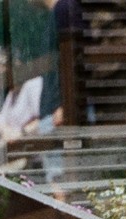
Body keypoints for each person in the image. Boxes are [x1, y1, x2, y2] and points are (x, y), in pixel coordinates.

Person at [31, 0, 85, 129]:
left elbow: (77, 59)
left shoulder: (65, 9)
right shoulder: (56, 14)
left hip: (62, 116)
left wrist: (66, 106)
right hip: (54, 114)